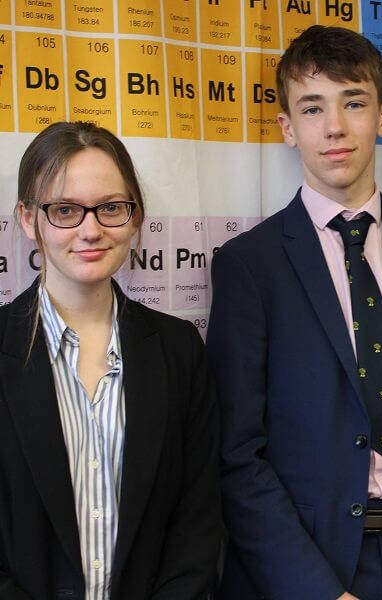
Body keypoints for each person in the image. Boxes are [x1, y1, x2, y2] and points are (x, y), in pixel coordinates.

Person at [207, 25, 382, 600]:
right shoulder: (249, 266)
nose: (334, 127)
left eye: (353, 103)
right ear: (288, 127)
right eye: (312, 108)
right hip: (305, 569)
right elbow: (238, 455)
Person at [0, 121, 221, 599]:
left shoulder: (179, 349)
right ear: (27, 218)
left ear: (135, 216)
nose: (91, 229)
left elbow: (197, 524)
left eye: (111, 208)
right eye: (65, 210)